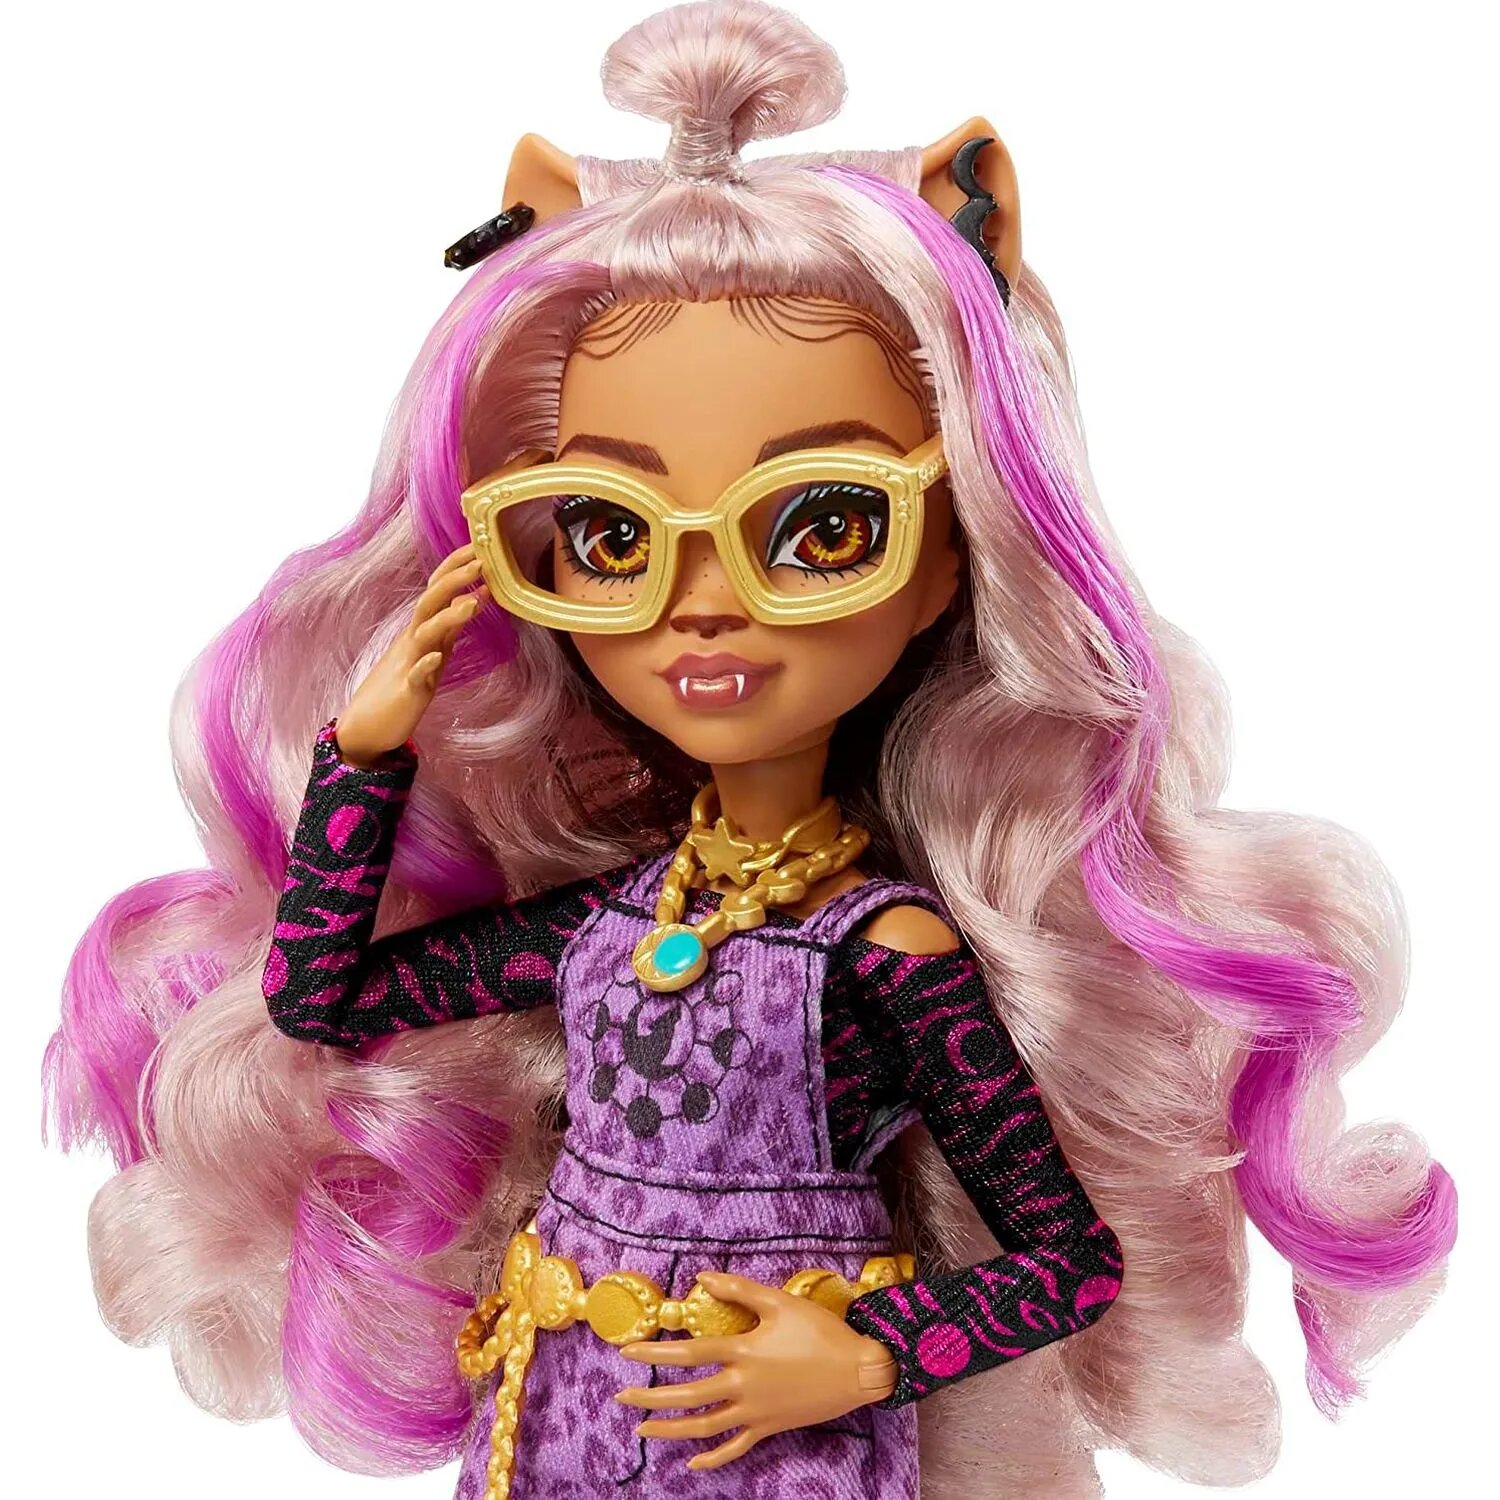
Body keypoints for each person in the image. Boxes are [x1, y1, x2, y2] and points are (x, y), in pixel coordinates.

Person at [45, 4, 1455, 1497]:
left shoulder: (885, 951)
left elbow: (1065, 1261)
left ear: (950, 556)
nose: (703, 604)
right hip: (554, 1422)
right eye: (609, 536)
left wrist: (860, 1355)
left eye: (824, 525)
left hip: (775, 1448)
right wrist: (365, 754)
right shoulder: (605, 926)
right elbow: (321, 998)